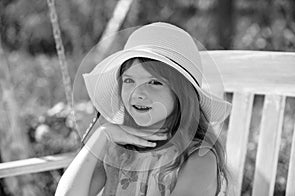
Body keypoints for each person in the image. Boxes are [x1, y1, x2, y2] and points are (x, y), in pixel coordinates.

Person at [55, 22, 232, 196]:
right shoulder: (119, 151)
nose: (137, 93)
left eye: (154, 82)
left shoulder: (199, 158)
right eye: (129, 80)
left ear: (181, 93)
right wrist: (101, 135)